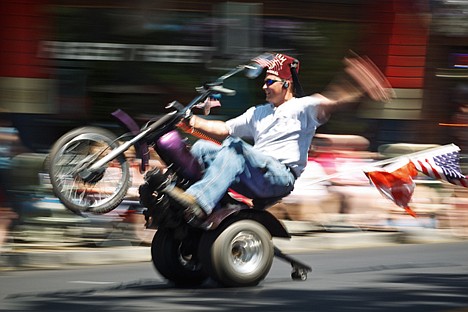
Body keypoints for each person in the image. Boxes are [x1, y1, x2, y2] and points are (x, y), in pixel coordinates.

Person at [159, 52, 392, 227]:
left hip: (279, 176)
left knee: (234, 147)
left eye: (269, 81)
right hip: (254, 173)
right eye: (265, 81)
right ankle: (185, 201)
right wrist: (191, 123)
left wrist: (360, 86)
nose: (264, 86)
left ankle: (200, 201)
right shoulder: (258, 112)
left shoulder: (304, 107)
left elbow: (335, 99)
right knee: (201, 147)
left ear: (286, 84)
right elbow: (224, 129)